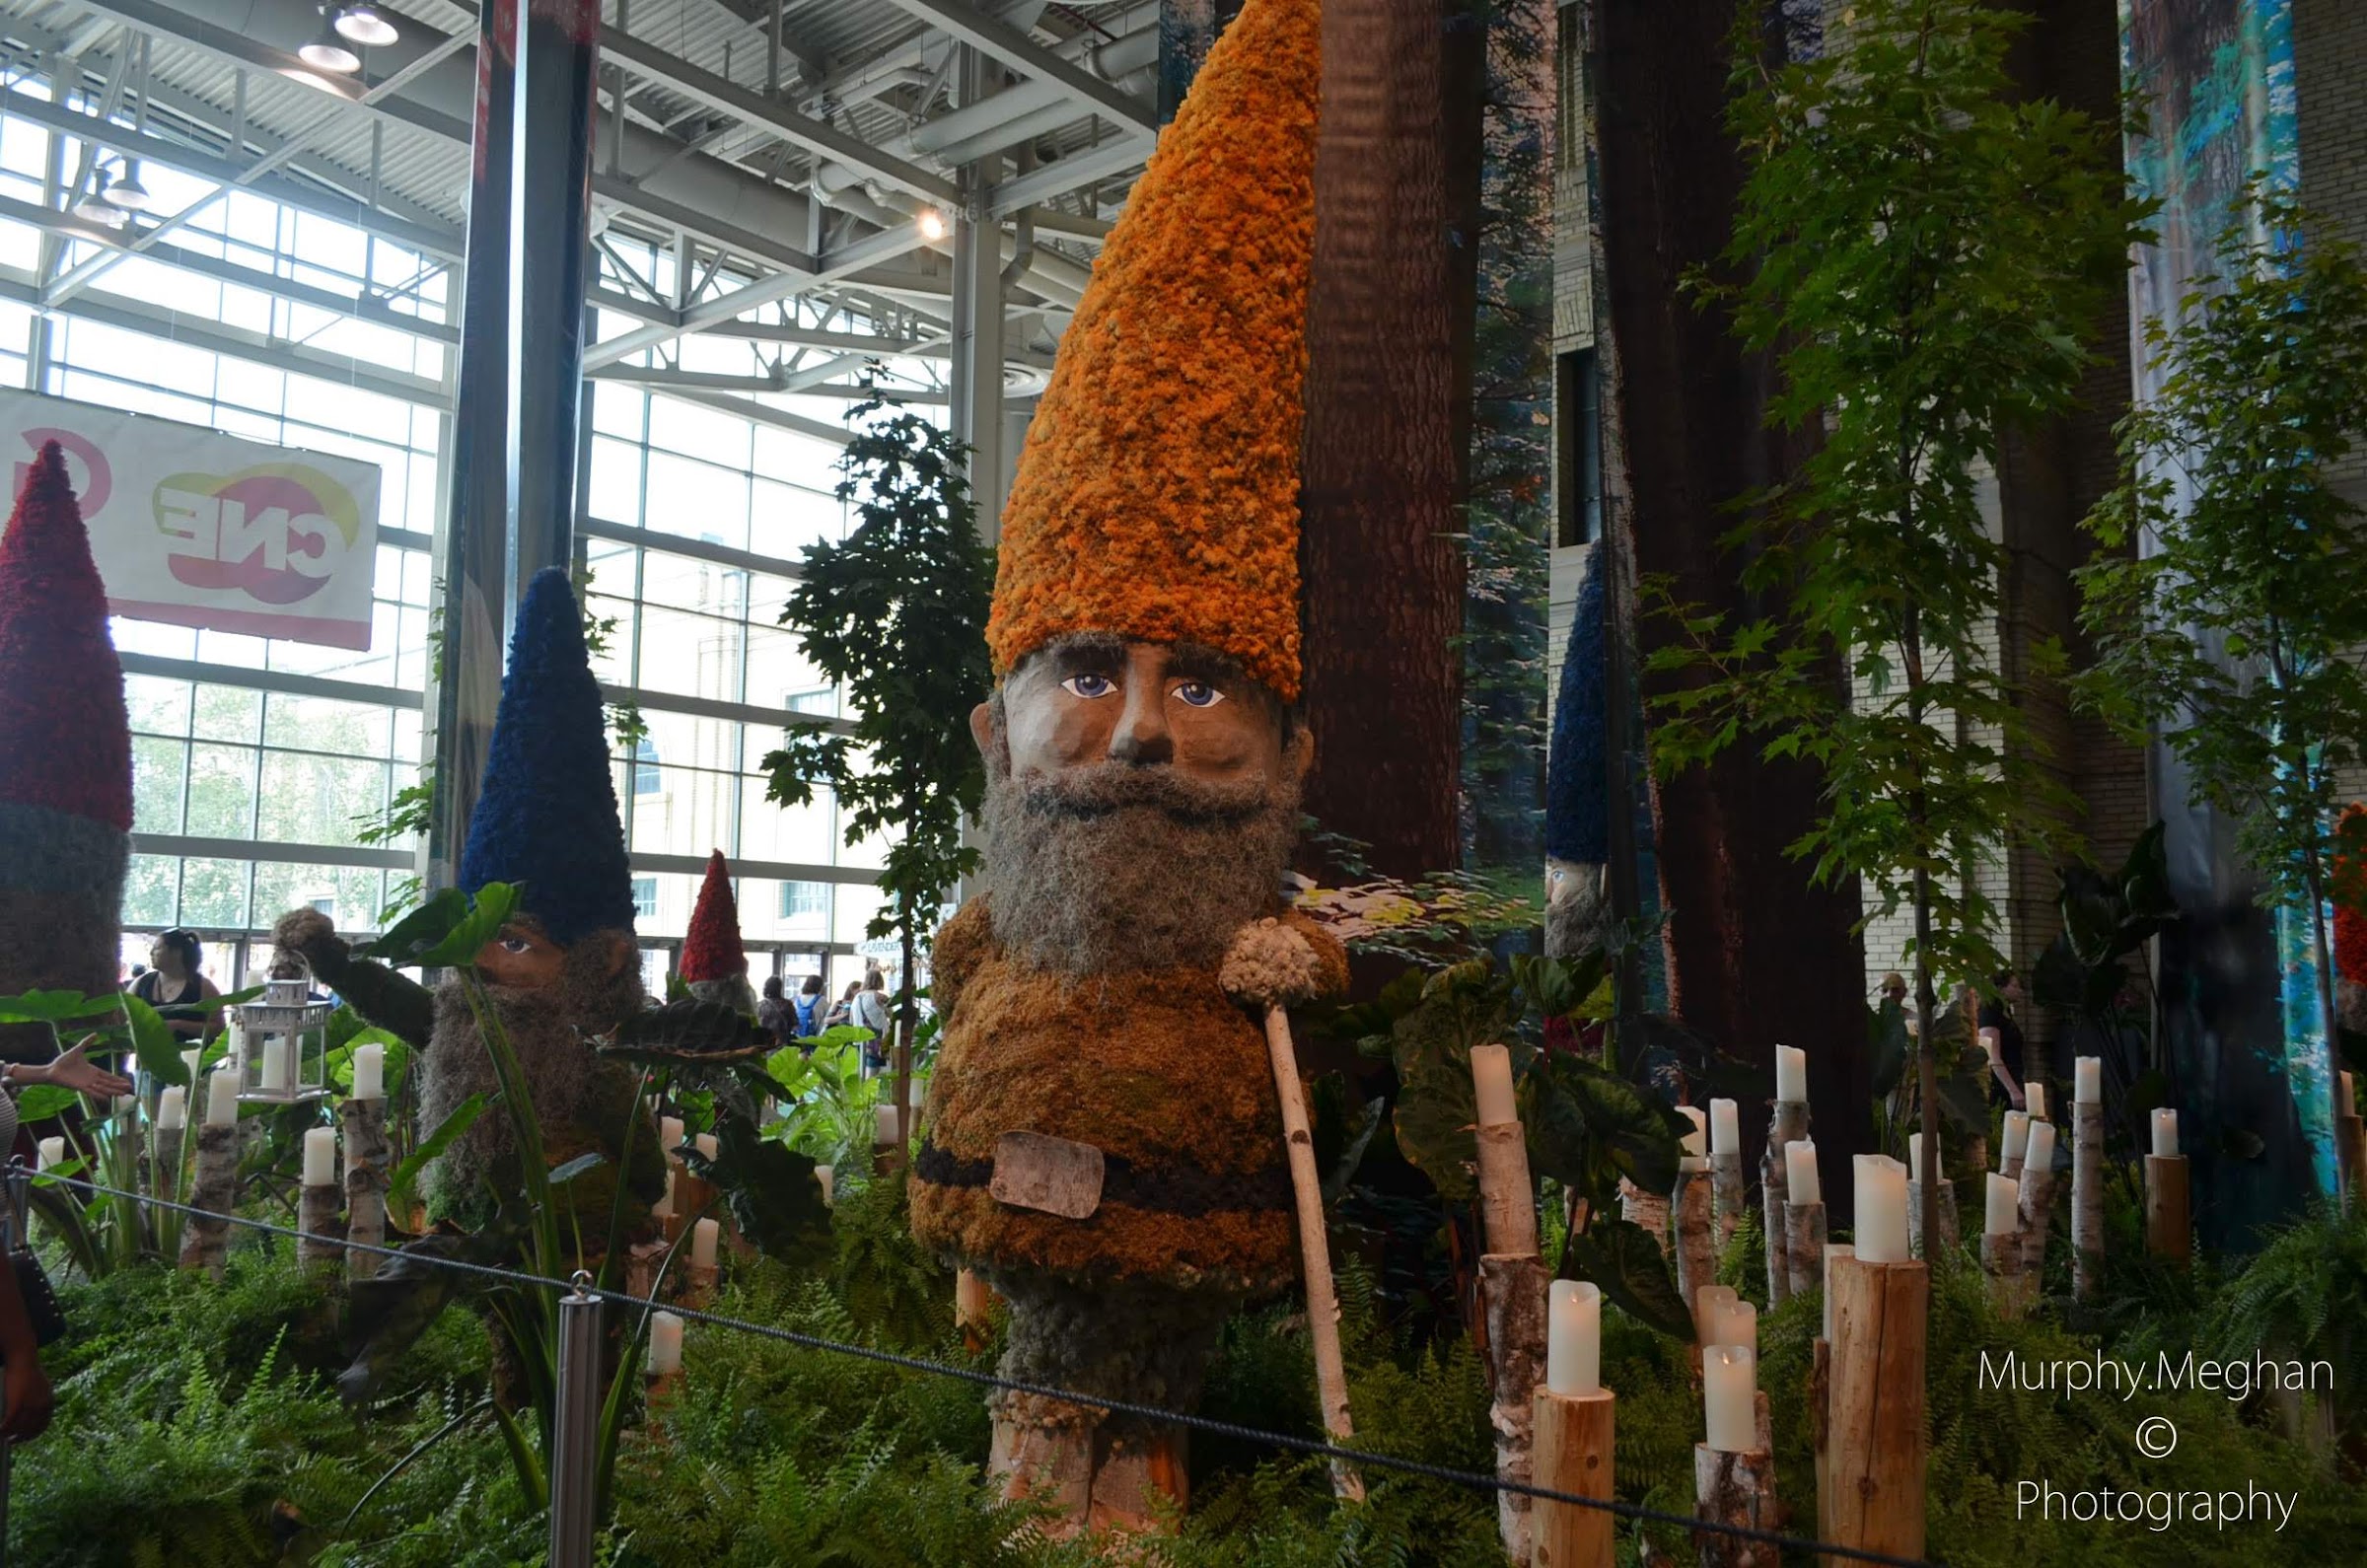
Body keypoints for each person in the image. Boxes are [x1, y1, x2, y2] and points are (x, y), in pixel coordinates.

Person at [129, 930, 222, 1043]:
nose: (151, 952)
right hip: (147, 1053)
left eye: (157, 948)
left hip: (191, 1053)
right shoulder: (141, 983)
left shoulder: (203, 986)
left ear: (176, 952)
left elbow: (218, 1027)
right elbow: (123, 1019)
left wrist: (178, 1025)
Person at [1978, 968, 2028, 1110]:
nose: (2020, 991)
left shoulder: (2004, 1012)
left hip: (2013, 1076)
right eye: (2015, 986)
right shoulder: (1990, 1012)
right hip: (2000, 1084)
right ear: (2000, 988)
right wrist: (2013, 1090)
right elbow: (1993, 1056)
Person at [853, 971, 893, 1073]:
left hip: (859, 1036)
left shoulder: (857, 997)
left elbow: (852, 1018)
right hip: (876, 1038)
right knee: (872, 1071)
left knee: (860, 1070)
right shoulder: (881, 997)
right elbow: (891, 1015)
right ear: (880, 981)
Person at [756, 975, 796, 1049]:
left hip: (764, 1042)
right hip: (782, 1041)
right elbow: (794, 1023)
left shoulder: (760, 1005)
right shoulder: (787, 1004)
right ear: (779, 988)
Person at [793, 974, 825, 1040]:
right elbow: (827, 1017)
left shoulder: (797, 1000)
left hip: (798, 1037)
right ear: (820, 987)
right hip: (815, 1038)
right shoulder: (821, 1000)